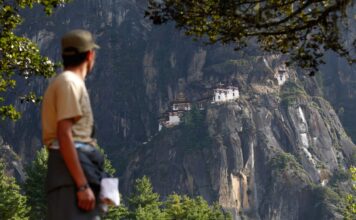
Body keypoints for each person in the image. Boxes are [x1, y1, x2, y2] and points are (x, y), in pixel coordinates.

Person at [41, 29, 101, 220]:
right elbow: (64, 134)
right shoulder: (69, 83)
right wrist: (82, 185)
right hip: (71, 172)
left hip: (79, 167)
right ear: (90, 55)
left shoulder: (68, 82)